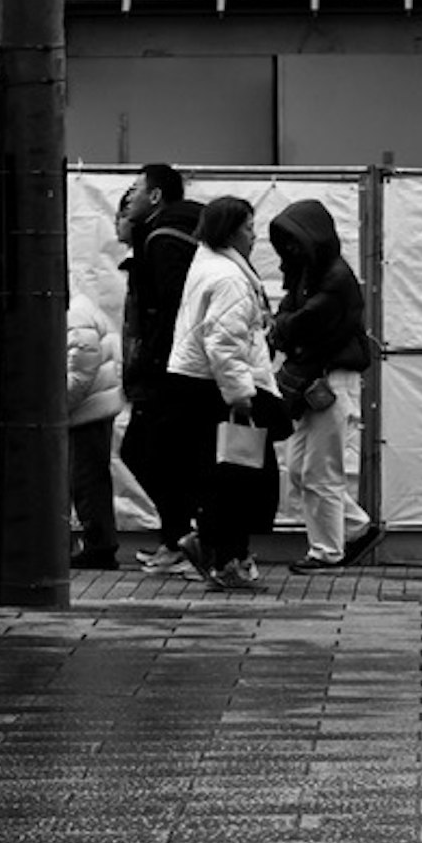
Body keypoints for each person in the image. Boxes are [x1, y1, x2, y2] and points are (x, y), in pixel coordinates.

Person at [166, 191, 285, 594]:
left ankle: (219, 551)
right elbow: (224, 342)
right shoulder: (230, 278)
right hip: (221, 389)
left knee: (223, 475)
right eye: (249, 227)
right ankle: (221, 555)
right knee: (239, 477)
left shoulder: (207, 265)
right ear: (230, 231)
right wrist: (239, 395)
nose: (254, 236)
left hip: (197, 383)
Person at [265, 196, 378, 569]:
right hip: (320, 383)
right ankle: (357, 528)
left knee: (318, 472)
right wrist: (284, 326)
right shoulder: (315, 273)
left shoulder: (331, 279)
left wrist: (279, 328)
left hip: (328, 383)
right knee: (301, 471)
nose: (290, 249)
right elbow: (293, 320)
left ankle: (327, 551)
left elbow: (299, 323)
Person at [117, 166, 207, 563]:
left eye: (135, 190)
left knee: (143, 450)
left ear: (154, 197)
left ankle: (186, 537)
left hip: (169, 372)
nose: (129, 199)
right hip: (179, 368)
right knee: (168, 454)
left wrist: (153, 361)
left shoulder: (164, 240)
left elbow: (169, 310)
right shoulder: (178, 234)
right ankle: (178, 539)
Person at [63, 274, 126, 570]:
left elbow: (81, 370)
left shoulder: (74, 314)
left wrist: (55, 408)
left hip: (87, 409)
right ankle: (98, 543)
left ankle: (99, 545)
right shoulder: (79, 308)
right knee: (89, 478)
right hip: (94, 405)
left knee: (86, 479)